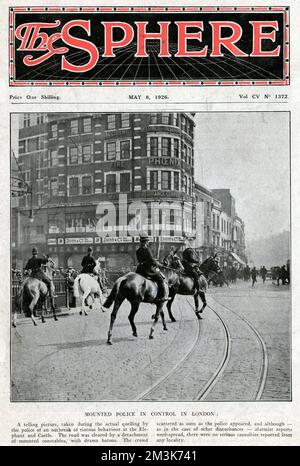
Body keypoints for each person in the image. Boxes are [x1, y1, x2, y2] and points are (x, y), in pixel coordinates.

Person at [136, 233, 168, 302]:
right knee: (160, 279)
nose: (148, 242)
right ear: (146, 242)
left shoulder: (138, 250)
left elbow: (140, 260)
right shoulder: (147, 249)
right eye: (147, 241)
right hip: (148, 269)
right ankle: (162, 296)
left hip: (140, 270)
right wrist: (159, 264)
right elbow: (151, 260)